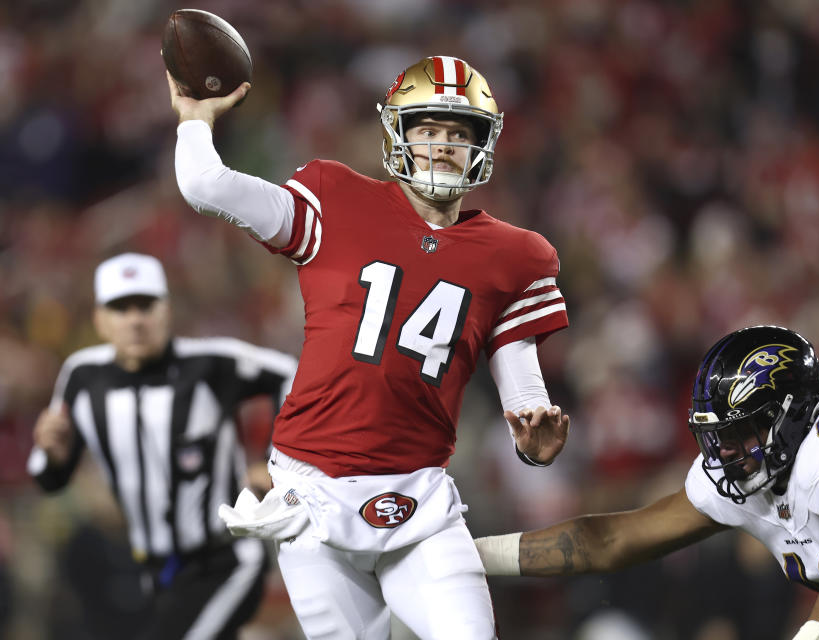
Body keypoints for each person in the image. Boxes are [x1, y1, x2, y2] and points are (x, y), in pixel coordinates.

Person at [167, 54, 571, 640]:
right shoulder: (334, 197)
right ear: (398, 135)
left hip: (421, 497)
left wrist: (534, 436)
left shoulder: (518, 255)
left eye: (458, 134)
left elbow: (522, 382)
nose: (441, 146)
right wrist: (195, 119)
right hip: (312, 492)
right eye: (426, 130)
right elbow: (206, 185)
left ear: (482, 144)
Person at [475, 325, 819, 640]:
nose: (723, 450)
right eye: (715, 434)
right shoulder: (748, 471)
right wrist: (474, 555)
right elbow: (613, 539)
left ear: (787, 417)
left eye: (736, 431)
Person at [28, 252, 298, 640]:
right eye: (121, 308)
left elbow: (290, 373)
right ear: (99, 320)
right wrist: (53, 453)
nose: (135, 319)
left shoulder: (209, 363)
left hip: (226, 559)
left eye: (145, 305)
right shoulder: (82, 376)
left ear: (166, 311)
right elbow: (47, 476)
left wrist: (275, 462)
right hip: (154, 572)